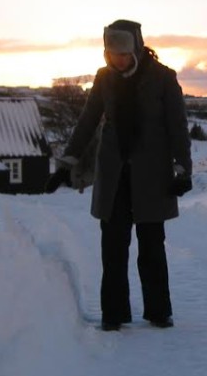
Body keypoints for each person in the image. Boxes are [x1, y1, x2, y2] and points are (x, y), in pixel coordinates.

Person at [48, 19, 192, 331]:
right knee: (113, 247)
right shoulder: (104, 79)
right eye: (112, 54)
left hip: (152, 175)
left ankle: (158, 311)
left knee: (151, 246)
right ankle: (113, 313)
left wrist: (182, 169)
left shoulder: (163, 78)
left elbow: (177, 126)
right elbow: (87, 121)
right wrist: (66, 164)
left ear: (137, 48)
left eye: (124, 54)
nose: (118, 60)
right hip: (114, 175)